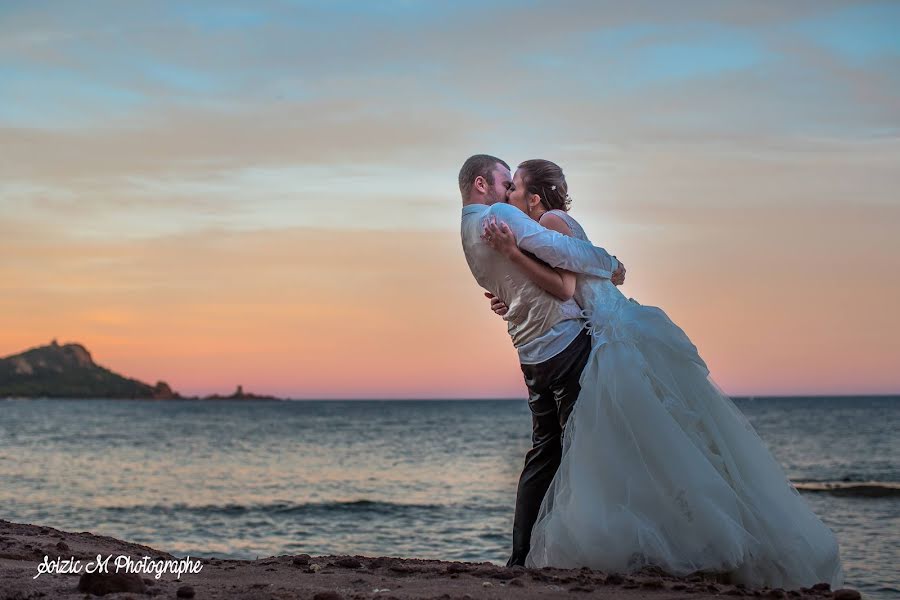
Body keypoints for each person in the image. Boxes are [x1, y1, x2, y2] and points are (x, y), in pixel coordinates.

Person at [481, 159, 844, 589]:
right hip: (602, 333)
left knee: (629, 447)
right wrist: (517, 301)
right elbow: (568, 283)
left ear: (535, 197)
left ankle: (682, 541)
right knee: (639, 449)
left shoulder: (553, 222)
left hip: (608, 340)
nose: (508, 196)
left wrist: (520, 262)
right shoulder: (549, 227)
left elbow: (565, 286)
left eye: (515, 188)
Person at [457, 154, 625, 567]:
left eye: (513, 185)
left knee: (545, 451)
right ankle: (588, 548)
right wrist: (612, 264)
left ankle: (522, 555)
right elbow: (560, 251)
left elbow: (514, 281)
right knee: (583, 446)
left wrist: (508, 299)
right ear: (482, 184)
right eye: (503, 182)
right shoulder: (496, 215)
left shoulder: (464, 233)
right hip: (563, 344)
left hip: (530, 354)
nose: (507, 192)